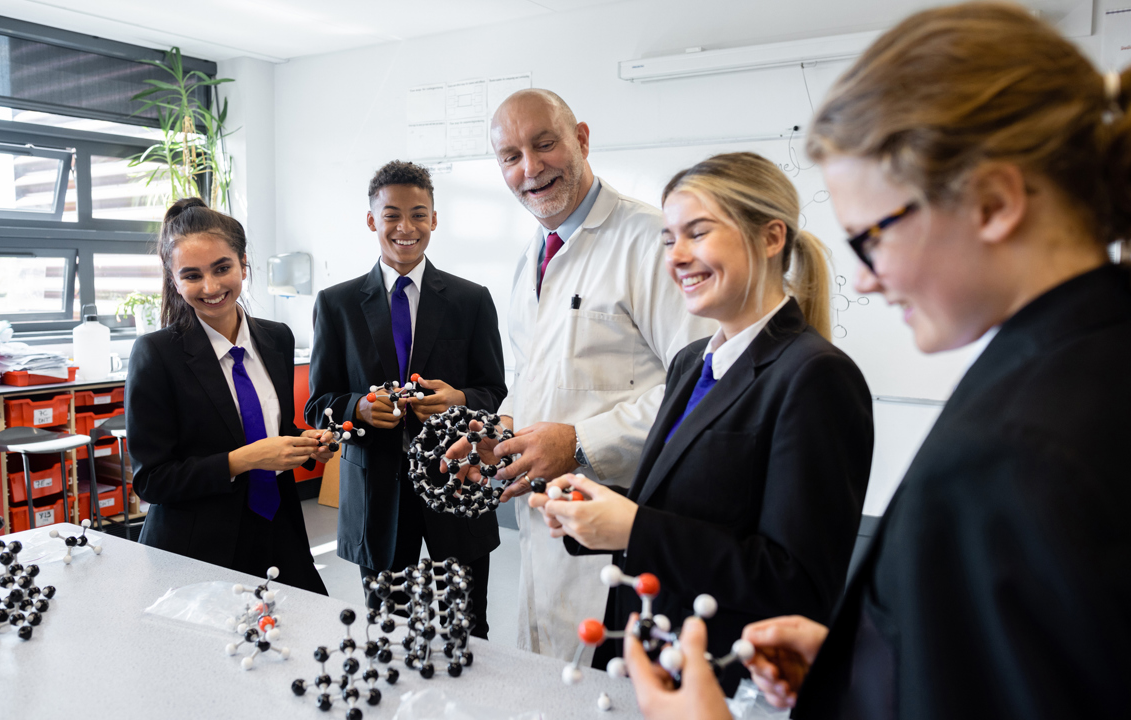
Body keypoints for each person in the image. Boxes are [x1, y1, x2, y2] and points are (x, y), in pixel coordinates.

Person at [632, 5, 1131, 719]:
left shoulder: (1023, 448)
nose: (861, 278)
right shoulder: (1102, 367)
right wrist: (861, 670)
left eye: (872, 239)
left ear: (992, 202)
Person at [528, 152, 873, 694]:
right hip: (642, 654)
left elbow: (796, 582)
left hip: (720, 679)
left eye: (697, 233)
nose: (677, 257)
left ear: (771, 238)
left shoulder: (815, 378)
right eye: (668, 239)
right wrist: (593, 510)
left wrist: (634, 527)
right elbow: (678, 505)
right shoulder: (692, 362)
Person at [476, 88, 717, 660]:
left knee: (611, 683)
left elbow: (706, 389)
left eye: (544, 144)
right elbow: (541, 376)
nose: (530, 169)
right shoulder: (530, 256)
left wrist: (582, 440)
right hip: (546, 518)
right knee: (550, 672)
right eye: (511, 156)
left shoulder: (650, 241)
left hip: (626, 520)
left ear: (581, 139)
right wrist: (501, 434)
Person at [305, 161, 506, 638]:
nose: (406, 228)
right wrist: (358, 407)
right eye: (391, 214)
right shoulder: (336, 304)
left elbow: (492, 390)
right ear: (372, 220)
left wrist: (458, 398)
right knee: (390, 628)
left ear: (435, 219)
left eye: (419, 214)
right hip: (376, 490)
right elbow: (319, 403)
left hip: (456, 482)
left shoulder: (471, 299)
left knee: (468, 625)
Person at [126, 198, 333, 594]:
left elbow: (274, 425)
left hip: (280, 533)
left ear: (243, 264)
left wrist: (306, 445)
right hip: (198, 547)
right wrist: (244, 460)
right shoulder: (156, 354)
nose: (211, 287)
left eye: (222, 268)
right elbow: (152, 481)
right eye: (192, 275)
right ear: (173, 280)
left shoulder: (276, 338)